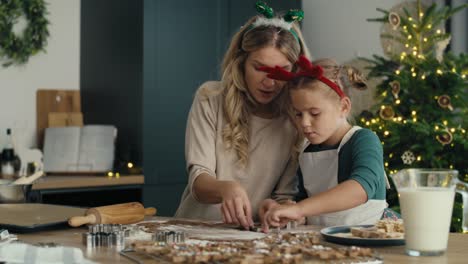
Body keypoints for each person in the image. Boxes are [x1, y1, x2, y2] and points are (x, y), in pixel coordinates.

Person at [174, 2, 311, 230]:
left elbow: (283, 196)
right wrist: (227, 188)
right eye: (259, 68)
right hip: (194, 229)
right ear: (241, 63)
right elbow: (199, 181)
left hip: (251, 238)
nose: (269, 82)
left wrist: (280, 209)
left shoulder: (296, 119)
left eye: (282, 71)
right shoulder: (210, 98)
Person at [259, 56, 391, 231]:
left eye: (314, 113)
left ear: (343, 107)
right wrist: (285, 210)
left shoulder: (363, 140)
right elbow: (305, 205)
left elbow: (361, 188)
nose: (304, 123)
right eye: (298, 114)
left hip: (371, 235)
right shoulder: (306, 151)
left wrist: (299, 209)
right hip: (326, 240)